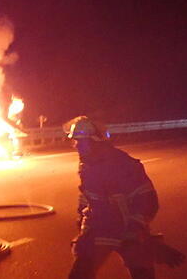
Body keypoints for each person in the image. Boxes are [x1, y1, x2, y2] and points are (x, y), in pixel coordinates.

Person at [66, 116, 160, 279]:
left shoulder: (124, 164)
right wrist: (82, 224)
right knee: (80, 274)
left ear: (96, 141)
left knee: (142, 273)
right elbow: (88, 196)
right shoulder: (87, 164)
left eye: (82, 142)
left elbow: (148, 199)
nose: (78, 147)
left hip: (127, 228)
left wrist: (135, 229)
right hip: (101, 229)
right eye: (76, 142)